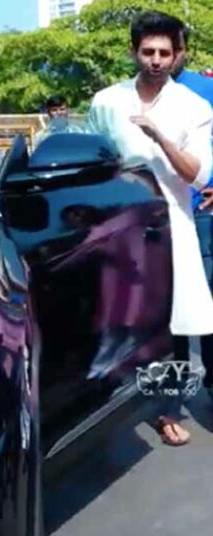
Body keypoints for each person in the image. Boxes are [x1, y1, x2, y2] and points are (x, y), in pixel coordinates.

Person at [88, 11, 213, 446]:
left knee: (178, 322)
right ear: (134, 51)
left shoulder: (194, 108)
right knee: (134, 322)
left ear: (178, 55)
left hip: (173, 229)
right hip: (120, 231)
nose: (156, 60)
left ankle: (177, 404)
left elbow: (196, 175)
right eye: (148, 51)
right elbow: (93, 163)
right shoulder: (106, 102)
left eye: (165, 52)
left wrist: (160, 136)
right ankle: (144, 407)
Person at [171, 23, 213, 399]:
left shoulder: (206, 91)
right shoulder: (125, 98)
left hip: (202, 215)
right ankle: (172, 397)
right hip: (155, 220)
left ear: (184, 50)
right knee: (168, 309)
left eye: (173, 48)